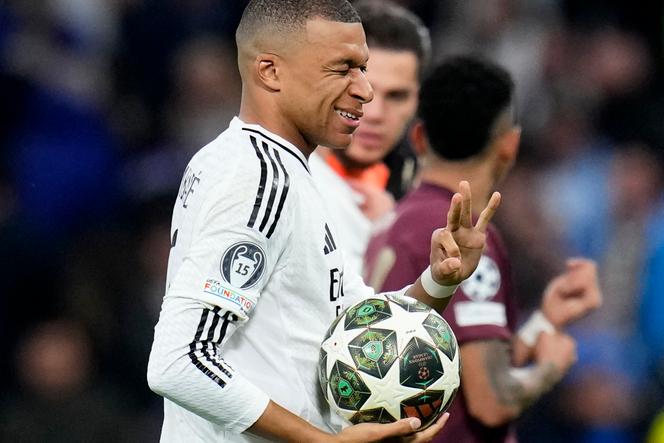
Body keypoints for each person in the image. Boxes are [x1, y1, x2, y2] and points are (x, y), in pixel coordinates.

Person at [147, 2, 501, 442]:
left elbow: (355, 329)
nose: (365, 91)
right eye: (342, 69)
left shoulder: (278, 171)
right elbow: (179, 361)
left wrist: (440, 280)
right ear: (270, 72)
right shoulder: (258, 179)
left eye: (363, 68)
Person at [364, 56, 602, 442]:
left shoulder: (394, 222)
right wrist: (549, 369)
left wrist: (544, 321)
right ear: (509, 145)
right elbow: (490, 400)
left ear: (419, 137)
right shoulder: (465, 237)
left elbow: (459, 360)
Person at [309, 0, 429, 273]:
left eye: (397, 96)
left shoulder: (423, 201)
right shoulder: (278, 182)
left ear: (416, 102)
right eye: (360, 89)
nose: (375, 113)